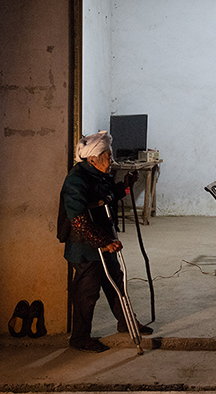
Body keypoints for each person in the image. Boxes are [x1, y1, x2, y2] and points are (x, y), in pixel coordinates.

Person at [60, 130, 153, 352]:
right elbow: (78, 219)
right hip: (85, 247)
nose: (111, 159)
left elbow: (109, 195)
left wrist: (126, 185)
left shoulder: (98, 175)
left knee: (117, 284)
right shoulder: (76, 180)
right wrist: (102, 241)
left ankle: (127, 322)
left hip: (104, 242)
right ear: (93, 157)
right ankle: (80, 338)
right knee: (87, 292)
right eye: (108, 155)